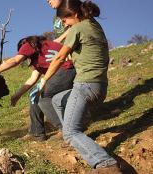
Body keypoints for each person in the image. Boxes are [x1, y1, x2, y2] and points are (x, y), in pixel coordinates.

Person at [38, 0, 122, 173]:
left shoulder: (77, 28)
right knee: (57, 100)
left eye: (65, 20)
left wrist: (44, 80)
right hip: (99, 87)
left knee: (69, 132)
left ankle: (106, 165)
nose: (64, 24)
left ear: (75, 14)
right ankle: (79, 138)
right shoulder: (95, 25)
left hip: (85, 85)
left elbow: (60, 57)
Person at [0, 35, 75, 141]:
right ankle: (37, 133)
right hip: (62, 73)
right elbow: (32, 79)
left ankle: (66, 130)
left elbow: (15, 60)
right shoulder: (40, 54)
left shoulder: (28, 44)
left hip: (66, 70)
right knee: (34, 95)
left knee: (43, 98)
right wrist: (16, 96)